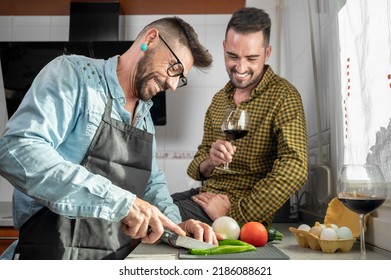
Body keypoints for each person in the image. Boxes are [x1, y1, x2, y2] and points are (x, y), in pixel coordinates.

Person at [0, 16, 217, 260]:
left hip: (116, 259)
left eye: (181, 78)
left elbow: (151, 184)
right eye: (174, 68)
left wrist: (176, 228)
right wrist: (120, 202)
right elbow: (16, 149)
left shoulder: (145, 116)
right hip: (54, 255)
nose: (173, 84)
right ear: (150, 39)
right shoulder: (73, 75)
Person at [172, 7, 308, 227]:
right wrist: (211, 161)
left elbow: (294, 168)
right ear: (224, 47)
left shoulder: (284, 96)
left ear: (267, 53)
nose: (241, 68)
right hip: (205, 195)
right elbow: (196, 166)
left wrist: (233, 216)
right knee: (145, 206)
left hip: (239, 207)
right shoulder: (218, 101)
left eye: (252, 58)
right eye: (232, 56)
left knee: (150, 216)